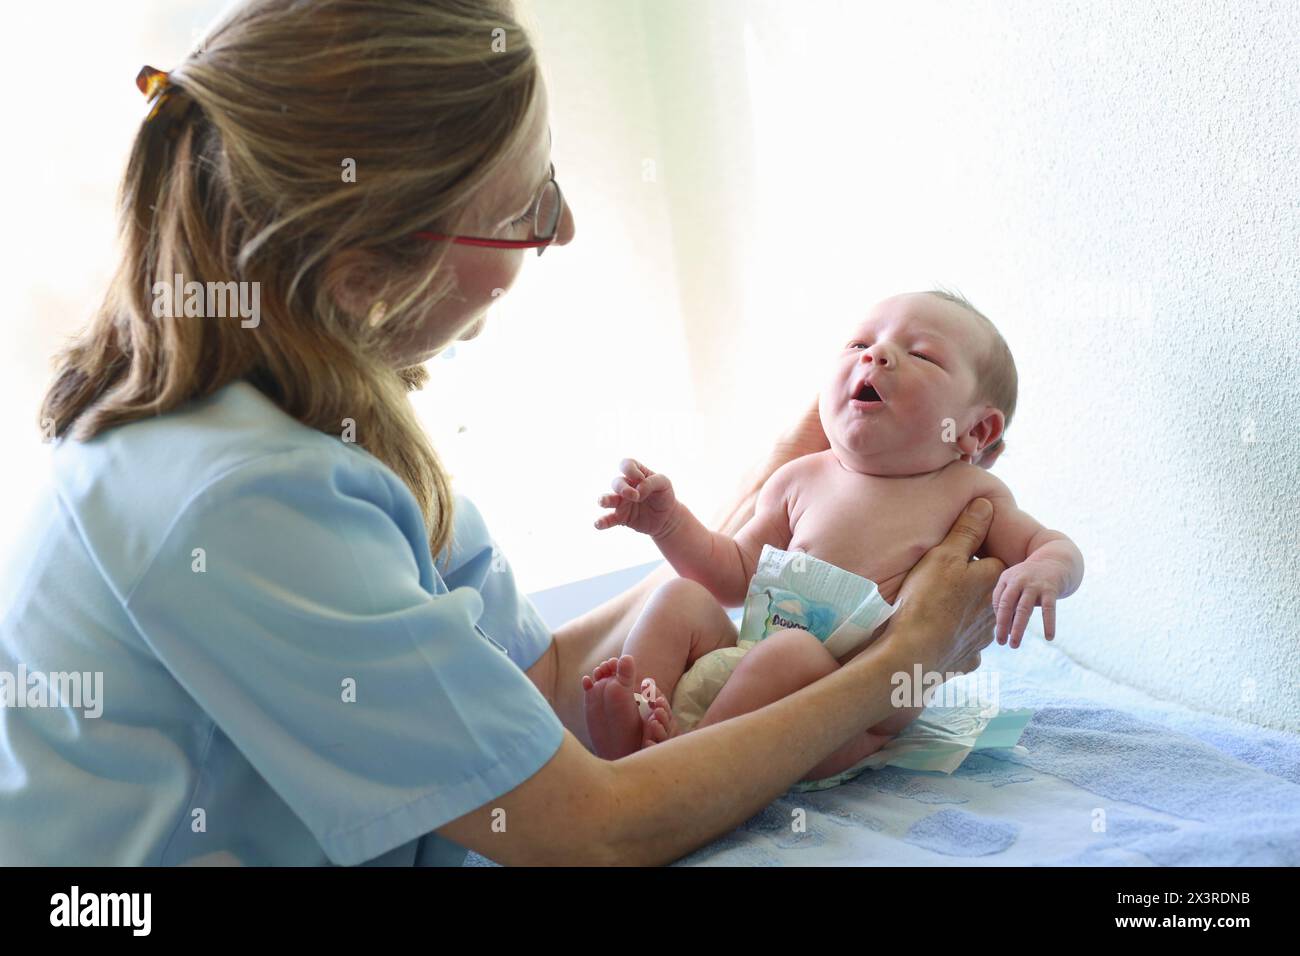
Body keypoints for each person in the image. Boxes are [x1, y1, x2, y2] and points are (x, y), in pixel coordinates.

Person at [0, 0, 1001, 866]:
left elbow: (531, 686)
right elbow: (588, 831)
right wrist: (897, 658)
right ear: (362, 273)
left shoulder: (312, 418)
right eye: (527, 208)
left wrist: (768, 502)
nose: (559, 233)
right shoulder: (237, 499)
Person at [584, 291, 1084, 783]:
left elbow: (1053, 546)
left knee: (793, 653)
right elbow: (731, 575)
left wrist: (1046, 570)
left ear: (976, 431)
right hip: (748, 659)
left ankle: (688, 768)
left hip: (853, 714)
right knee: (680, 598)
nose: (876, 354)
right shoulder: (799, 479)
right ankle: (633, 718)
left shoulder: (971, 494)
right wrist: (668, 523)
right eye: (857, 344)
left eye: (921, 354)